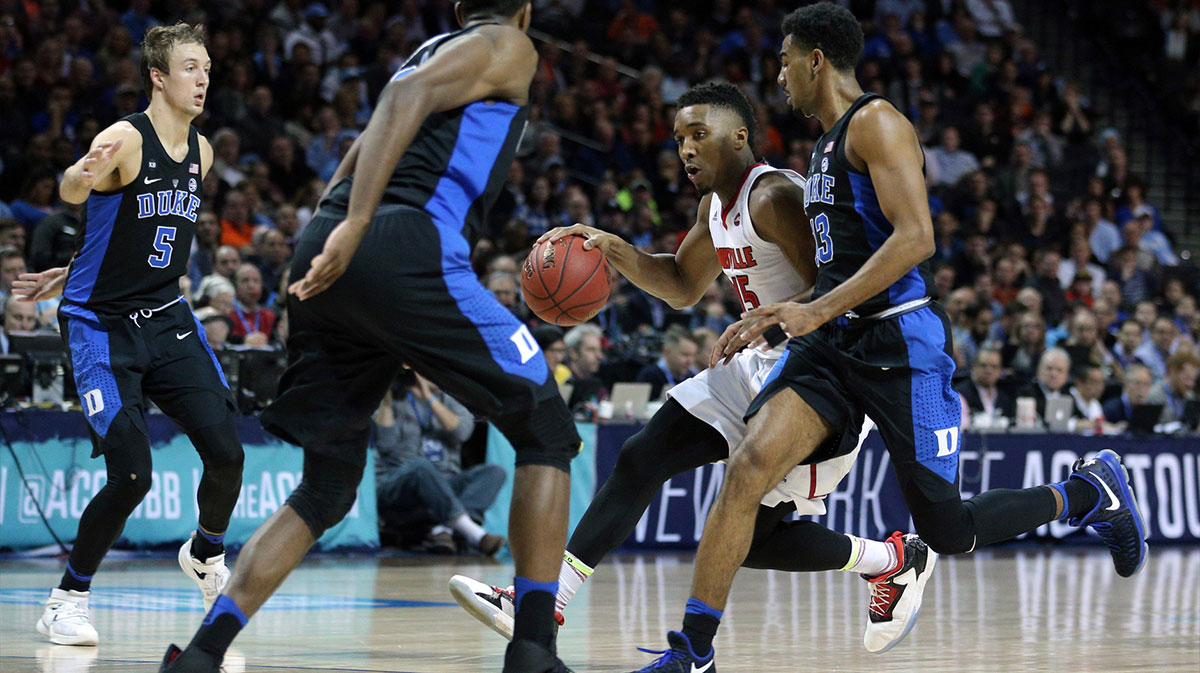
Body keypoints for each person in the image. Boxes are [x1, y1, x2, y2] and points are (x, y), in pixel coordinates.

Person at [633, 6, 1148, 670]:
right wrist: (784, 309)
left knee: (949, 529)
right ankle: (692, 653)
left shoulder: (876, 123)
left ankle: (1090, 490)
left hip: (902, 345)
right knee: (747, 469)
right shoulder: (819, 149)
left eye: (786, 58)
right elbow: (840, 264)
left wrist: (815, 312)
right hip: (834, 346)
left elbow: (916, 238)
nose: (779, 73)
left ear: (816, 59)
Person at [157, 4, 580, 673]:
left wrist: (337, 226)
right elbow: (402, 97)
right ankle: (534, 648)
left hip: (328, 243)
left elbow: (366, 140)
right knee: (546, 426)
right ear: (523, 10)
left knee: (327, 487)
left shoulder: (435, 47)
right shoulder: (508, 44)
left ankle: (202, 654)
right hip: (406, 240)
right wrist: (361, 228)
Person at [450, 81, 918, 658]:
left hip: (819, 378)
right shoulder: (714, 206)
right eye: (679, 139)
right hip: (755, 362)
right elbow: (680, 285)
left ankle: (892, 561)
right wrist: (613, 249)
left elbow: (828, 294)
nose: (686, 149)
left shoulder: (774, 196)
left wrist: (770, 324)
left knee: (753, 541)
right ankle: (544, 602)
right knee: (640, 457)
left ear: (740, 136)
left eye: (700, 134)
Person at [12, 23, 245, 648]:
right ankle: (66, 600)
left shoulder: (202, 152)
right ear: (158, 77)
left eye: (207, 68)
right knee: (133, 474)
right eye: (190, 68)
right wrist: (79, 175)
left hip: (167, 314)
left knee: (227, 452)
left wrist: (69, 269)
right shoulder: (123, 137)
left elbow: (139, 237)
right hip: (102, 328)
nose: (202, 78)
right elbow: (73, 190)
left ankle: (205, 552)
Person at [373, 371, 506, 555]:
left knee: (495, 472)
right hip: (400, 486)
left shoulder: (451, 399)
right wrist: (386, 402)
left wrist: (428, 398)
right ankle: (472, 533)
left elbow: (462, 433)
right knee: (422, 466)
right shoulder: (396, 397)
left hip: (445, 484)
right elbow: (386, 444)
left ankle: (444, 529)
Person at [635, 324, 699, 399]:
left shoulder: (691, 378)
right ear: (666, 351)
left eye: (693, 355)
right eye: (685, 355)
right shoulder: (649, 376)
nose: (690, 361)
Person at [955, 346, 1014, 422]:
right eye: (983, 366)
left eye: (994, 367)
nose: (988, 371)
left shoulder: (1005, 397)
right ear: (974, 367)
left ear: (1000, 371)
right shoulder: (961, 394)